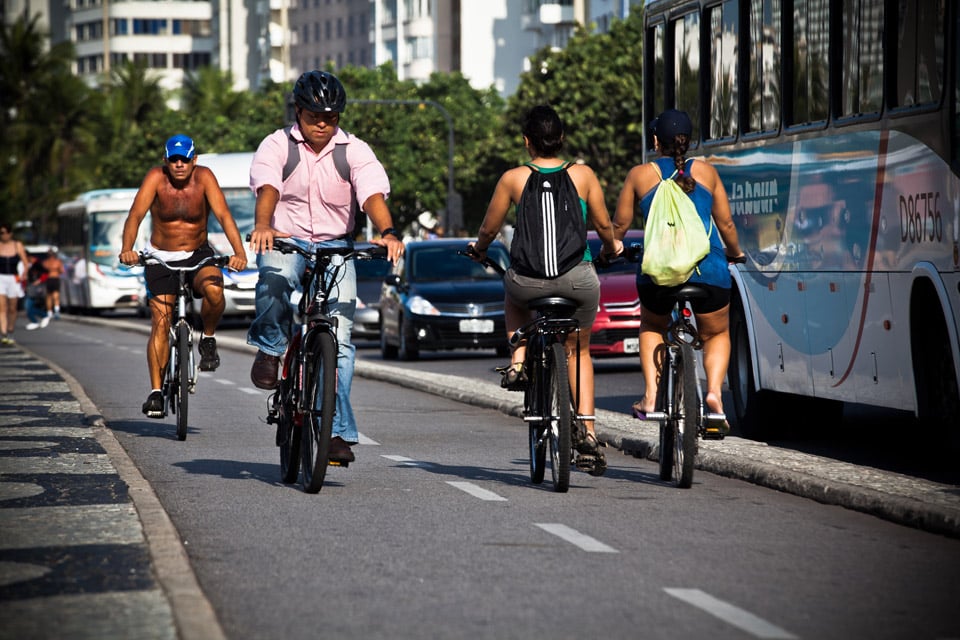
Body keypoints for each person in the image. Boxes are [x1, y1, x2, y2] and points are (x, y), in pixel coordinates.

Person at [247, 70, 403, 464]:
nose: (322, 123)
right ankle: (270, 347)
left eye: (331, 117)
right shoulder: (277, 144)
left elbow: (371, 193)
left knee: (342, 338)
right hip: (286, 237)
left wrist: (387, 231)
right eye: (314, 115)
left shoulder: (354, 150)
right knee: (275, 278)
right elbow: (268, 187)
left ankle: (335, 431)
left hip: (336, 245)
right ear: (298, 111)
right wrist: (264, 225)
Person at [468, 104, 622, 471]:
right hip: (578, 279)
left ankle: (518, 360)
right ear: (562, 138)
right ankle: (586, 430)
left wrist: (479, 249)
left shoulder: (513, 179)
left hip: (528, 282)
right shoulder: (584, 175)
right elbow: (603, 226)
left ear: (527, 142)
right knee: (579, 350)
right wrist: (614, 246)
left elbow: (489, 229)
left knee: (512, 292)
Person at [613, 109, 744, 431]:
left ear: (656, 141)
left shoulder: (639, 174)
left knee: (651, 326)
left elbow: (619, 225)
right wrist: (736, 253)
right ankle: (714, 395)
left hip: (658, 273)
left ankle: (650, 396)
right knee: (716, 332)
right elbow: (725, 222)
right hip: (708, 272)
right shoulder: (708, 173)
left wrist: (611, 247)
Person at [119, 134, 248, 418]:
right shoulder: (155, 178)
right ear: (165, 160)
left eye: (185, 159)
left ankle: (209, 338)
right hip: (160, 257)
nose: (179, 165)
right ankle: (155, 392)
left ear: (194, 160)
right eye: (174, 159)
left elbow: (224, 215)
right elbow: (135, 215)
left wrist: (240, 253)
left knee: (215, 290)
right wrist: (127, 249)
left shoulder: (204, 178)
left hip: (197, 252)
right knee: (160, 322)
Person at [0, 222, 31, 345]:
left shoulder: (17, 245)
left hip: (13, 278)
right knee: (2, 307)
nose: (2, 235)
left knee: (13, 307)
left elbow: (25, 261)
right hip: (1, 277)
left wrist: (25, 273)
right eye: (0, 233)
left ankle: (10, 329)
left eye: (4, 233)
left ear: (10, 233)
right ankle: (3, 333)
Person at [24, 255, 49, 330]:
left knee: (28, 306)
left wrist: (39, 281)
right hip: (32, 288)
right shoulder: (31, 266)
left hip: (37, 289)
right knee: (29, 306)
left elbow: (46, 274)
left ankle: (42, 316)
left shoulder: (38, 264)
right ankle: (38, 319)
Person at [41, 248, 64, 321]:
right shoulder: (57, 262)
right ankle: (56, 311)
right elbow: (62, 270)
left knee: (49, 296)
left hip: (49, 279)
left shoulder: (45, 262)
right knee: (55, 295)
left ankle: (49, 312)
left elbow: (42, 271)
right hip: (55, 279)